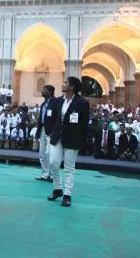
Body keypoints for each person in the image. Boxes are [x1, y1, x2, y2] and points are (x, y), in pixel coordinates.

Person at [47, 77, 90, 207]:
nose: (63, 84)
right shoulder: (58, 101)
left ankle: (67, 195)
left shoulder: (82, 103)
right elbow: (54, 118)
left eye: (66, 83)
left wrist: (81, 139)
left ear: (72, 87)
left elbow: (84, 123)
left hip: (73, 137)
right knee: (53, 162)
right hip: (58, 135)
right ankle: (57, 188)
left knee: (69, 167)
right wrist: (51, 132)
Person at [35, 85, 57, 182]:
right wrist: (37, 132)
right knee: (42, 153)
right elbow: (41, 119)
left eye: (44, 90)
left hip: (51, 131)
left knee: (49, 153)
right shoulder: (44, 104)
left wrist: (54, 131)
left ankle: (52, 176)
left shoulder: (55, 102)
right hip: (43, 130)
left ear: (50, 92)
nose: (42, 91)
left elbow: (57, 119)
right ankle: (45, 174)